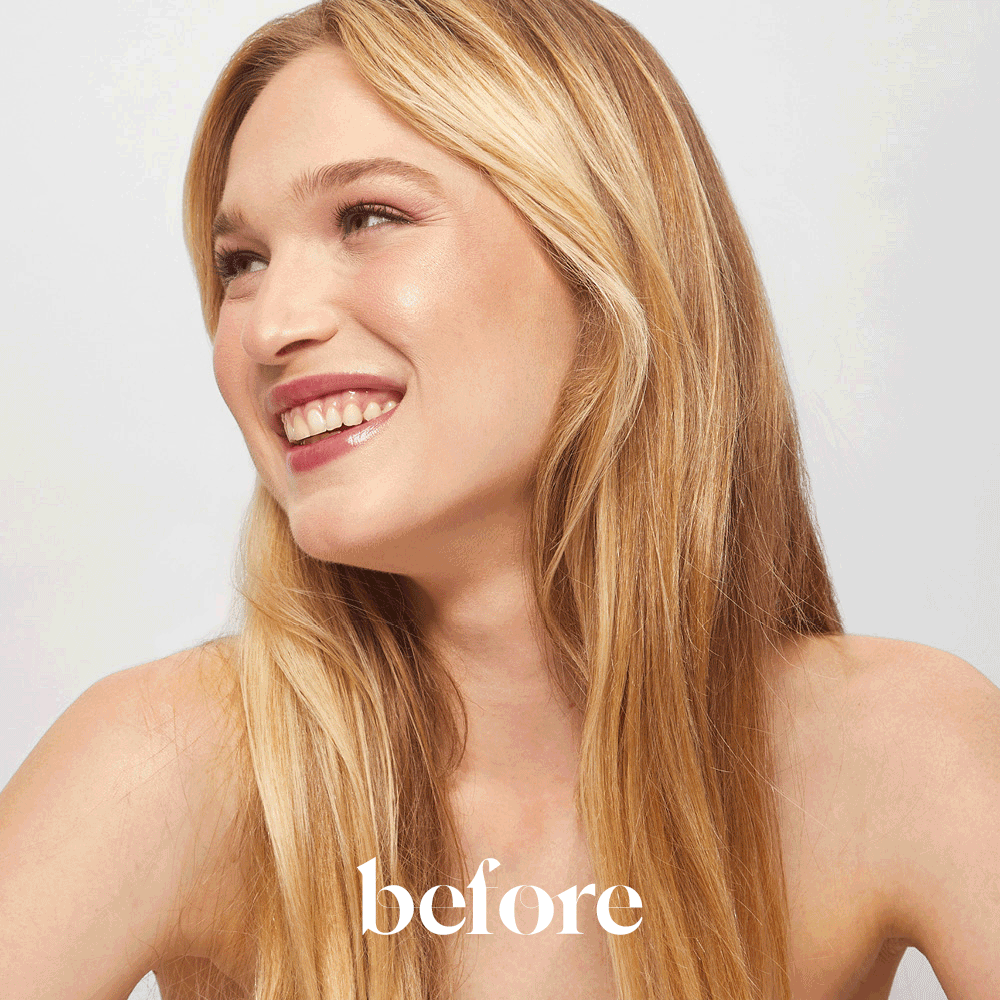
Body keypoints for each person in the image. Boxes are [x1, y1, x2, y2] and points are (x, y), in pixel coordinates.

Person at [2, 1, 998, 998]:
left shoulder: (896, 748)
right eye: (242, 264)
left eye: (368, 217)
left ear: (604, 256)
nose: (267, 327)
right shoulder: (170, 763)